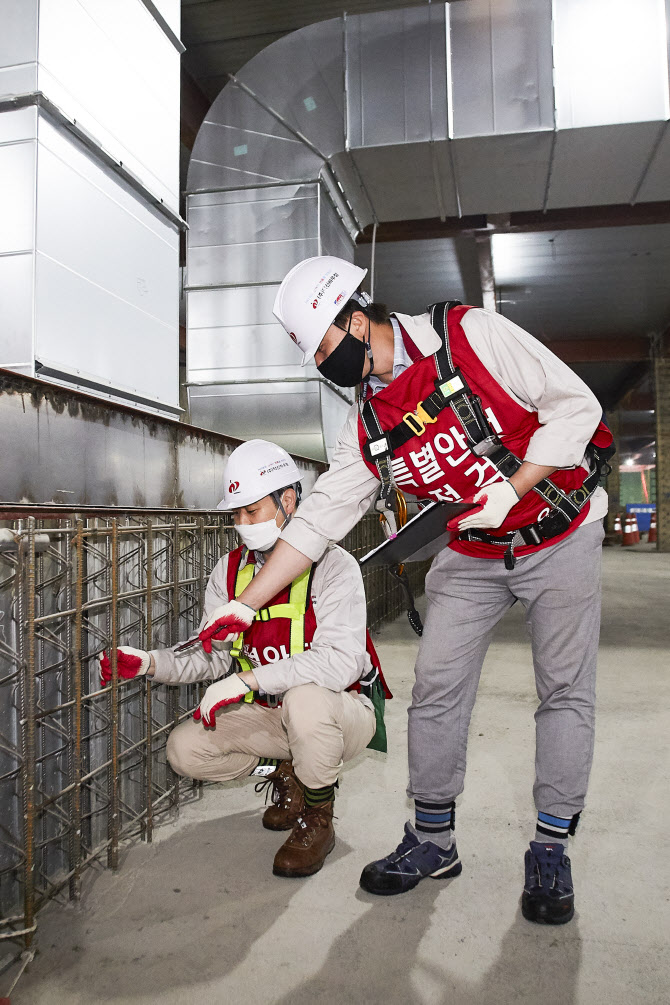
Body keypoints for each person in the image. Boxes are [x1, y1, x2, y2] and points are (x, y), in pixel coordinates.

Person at [194, 256, 614, 925]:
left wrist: (512, 485)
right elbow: (319, 518)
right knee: (438, 685)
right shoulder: (367, 422)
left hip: (558, 525)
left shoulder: (471, 336)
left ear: (358, 316)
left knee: (563, 689)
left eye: (328, 347)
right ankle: (432, 838)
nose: (326, 364)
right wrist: (247, 602)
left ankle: (551, 848)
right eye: (316, 357)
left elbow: (577, 407)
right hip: (474, 547)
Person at [99, 438, 386, 879]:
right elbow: (209, 657)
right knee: (185, 749)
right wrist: (152, 663)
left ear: (288, 501)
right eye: (236, 514)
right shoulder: (230, 571)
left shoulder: (334, 566)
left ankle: (318, 817)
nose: (242, 523)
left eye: (251, 511)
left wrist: (248, 682)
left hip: (339, 711)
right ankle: (288, 768)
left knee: (305, 700)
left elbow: (340, 663)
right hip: (274, 718)